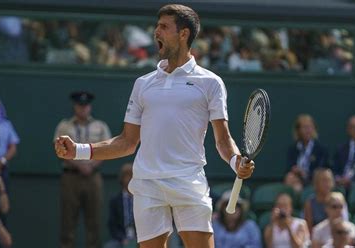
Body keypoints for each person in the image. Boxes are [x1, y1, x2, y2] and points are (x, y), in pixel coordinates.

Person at [55, 4, 255, 248]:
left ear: (183, 34)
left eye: (164, 27)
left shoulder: (211, 83)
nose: (156, 32)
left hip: (188, 182)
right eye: (156, 26)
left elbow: (223, 140)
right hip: (148, 185)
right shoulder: (143, 84)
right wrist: (78, 150)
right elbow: (126, 142)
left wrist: (236, 162)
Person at [54, 91, 112, 248]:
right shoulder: (64, 125)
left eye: (86, 106)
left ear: (90, 107)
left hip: (93, 177)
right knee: (68, 220)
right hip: (71, 176)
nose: (83, 109)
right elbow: (59, 150)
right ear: (75, 107)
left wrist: (91, 165)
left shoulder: (100, 126)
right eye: (80, 106)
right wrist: (79, 165)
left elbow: (108, 149)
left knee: (94, 220)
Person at [286, 114, 329, 184]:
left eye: (310, 127)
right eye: (304, 127)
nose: (308, 130)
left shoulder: (321, 149)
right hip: (295, 178)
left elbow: (320, 170)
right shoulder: (293, 148)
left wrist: (305, 173)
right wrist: (295, 170)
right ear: (298, 130)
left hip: (312, 181)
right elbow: (289, 167)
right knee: (290, 177)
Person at [105, 163, 136, 248]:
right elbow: (112, 225)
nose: (130, 179)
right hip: (121, 239)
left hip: (139, 238)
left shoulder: (141, 199)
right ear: (122, 178)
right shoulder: (115, 200)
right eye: (127, 176)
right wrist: (122, 239)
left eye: (132, 176)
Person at [303, 168, 335, 232]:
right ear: (316, 183)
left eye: (329, 180)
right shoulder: (310, 203)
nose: (327, 184)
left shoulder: (337, 200)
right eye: (324, 180)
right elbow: (308, 229)